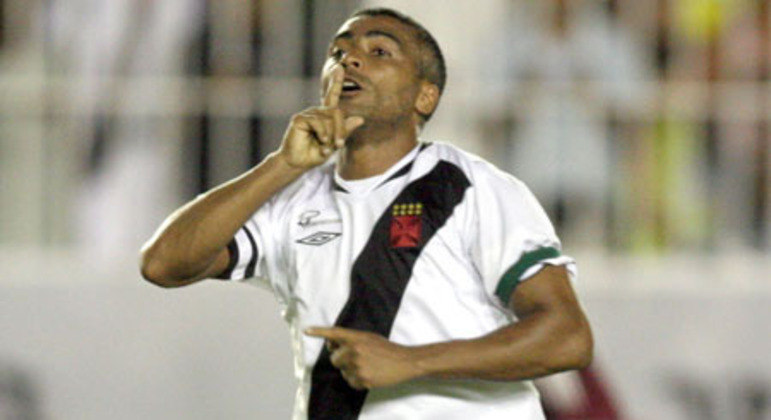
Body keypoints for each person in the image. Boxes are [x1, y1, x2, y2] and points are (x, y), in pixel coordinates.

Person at [140, 7, 593, 420]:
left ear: (425, 97)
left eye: (379, 51)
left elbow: (567, 337)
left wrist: (412, 361)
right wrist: (282, 164)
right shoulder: (293, 200)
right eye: (338, 53)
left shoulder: (474, 188)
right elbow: (163, 264)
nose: (350, 61)